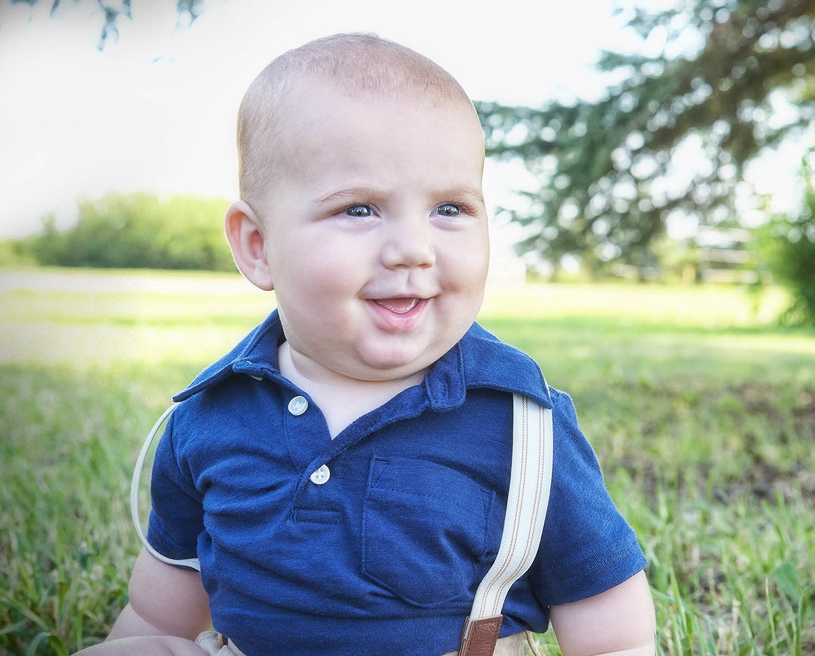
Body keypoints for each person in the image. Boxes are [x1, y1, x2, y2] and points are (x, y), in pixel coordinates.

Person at [77, 33, 655, 656]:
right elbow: (160, 611)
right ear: (258, 246)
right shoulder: (209, 415)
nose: (413, 249)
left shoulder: (522, 426)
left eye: (450, 209)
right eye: (360, 209)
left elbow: (611, 628)